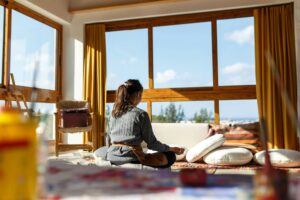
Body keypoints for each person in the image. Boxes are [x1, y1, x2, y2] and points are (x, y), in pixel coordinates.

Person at [100, 79, 184, 168]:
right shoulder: (141, 114)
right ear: (138, 94)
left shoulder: (113, 114)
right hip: (131, 158)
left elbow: (108, 138)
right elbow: (152, 144)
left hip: (112, 157)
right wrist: (171, 149)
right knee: (170, 156)